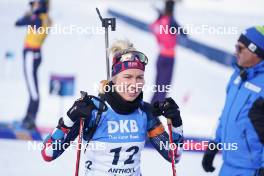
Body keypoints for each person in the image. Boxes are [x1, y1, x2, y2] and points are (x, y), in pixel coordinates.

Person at [41, 40, 184, 176]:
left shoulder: (145, 112)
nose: (134, 84)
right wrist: (68, 119)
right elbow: (48, 153)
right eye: (127, 77)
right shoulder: (92, 110)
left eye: (139, 77)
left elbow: (173, 155)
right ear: (114, 79)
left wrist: (176, 123)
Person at [202, 26, 264, 176]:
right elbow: (226, 114)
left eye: (240, 48)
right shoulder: (237, 77)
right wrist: (215, 143)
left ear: (255, 52)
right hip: (228, 165)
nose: (235, 52)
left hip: (251, 169)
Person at [15, 0, 51, 129]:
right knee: (32, 88)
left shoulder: (40, 18)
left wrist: (31, 14)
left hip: (32, 54)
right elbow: (18, 23)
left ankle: (31, 118)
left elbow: (23, 23)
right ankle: (28, 116)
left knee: (33, 90)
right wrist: (31, 13)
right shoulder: (41, 17)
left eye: (36, 4)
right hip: (33, 54)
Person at [150, 0, 187, 104]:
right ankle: (154, 113)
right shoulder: (171, 21)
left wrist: (160, 17)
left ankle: (151, 110)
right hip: (169, 58)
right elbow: (184, 33)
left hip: (160, 57)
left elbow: (152, 27)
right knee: (164, 88)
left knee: (158, 87)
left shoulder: (160, 21)